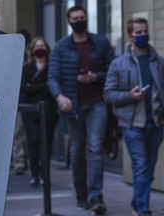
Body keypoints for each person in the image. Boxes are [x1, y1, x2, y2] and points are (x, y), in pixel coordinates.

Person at [48, 5, 114, 215]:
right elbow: (52, 77)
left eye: (82, 17)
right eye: (75, 18)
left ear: (86, 19)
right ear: (69, 21)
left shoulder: (100, 42)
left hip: (97, 103)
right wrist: (60, 97)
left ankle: (96, 197)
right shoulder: (61, 47)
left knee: (95, 149)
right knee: (77, 153)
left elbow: (112, 71)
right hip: (73, 106)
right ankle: (81, 194)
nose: (79, 20)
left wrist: (95, 77)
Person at [104, 18, 164, 216]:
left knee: (149, 168)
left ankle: (137, 201)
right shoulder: (119, 64)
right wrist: (130, 95)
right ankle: (143, 209)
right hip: (131, 124)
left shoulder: (158, 61)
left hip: (155, 123)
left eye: (145, 31)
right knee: (141, 166)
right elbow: (108, 94)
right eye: (138, 32)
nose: (142, 35)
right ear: (130, 36)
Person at [21, 36, 58, 187]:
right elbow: (25, 89)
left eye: (42, 46)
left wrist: (33, 86)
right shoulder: (27, 68)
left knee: (46, 142)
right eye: (37, 46)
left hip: (49, 111)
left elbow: (52, 87)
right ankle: (35, 174)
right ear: (32, 50)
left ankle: (44, 174)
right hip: (30, 111)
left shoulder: (52, 68)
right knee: (34, 140)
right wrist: (43, 86)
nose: (39, 49)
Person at [11, 29, 31, 175]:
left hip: (26, 99)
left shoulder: (29, 58)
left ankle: (21, 159)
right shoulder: (13, 55)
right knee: (17, 131)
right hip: (16, 99)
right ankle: (18, 160)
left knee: (21, 131)